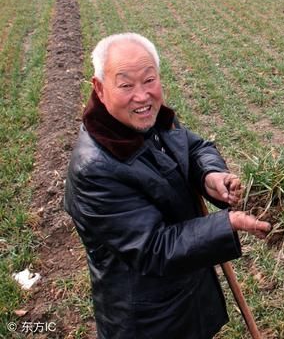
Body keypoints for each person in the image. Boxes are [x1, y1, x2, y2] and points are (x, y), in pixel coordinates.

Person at [64, 33, 271, 339]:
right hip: (150, 317)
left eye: (149, 80)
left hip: (185, 289)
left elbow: (193, 147)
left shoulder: (150, 120)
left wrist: (209, 175)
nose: (142, 96)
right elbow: (154, 248)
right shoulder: (94, 170)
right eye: (126, 85)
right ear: (100, 88)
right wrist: (228, 222)